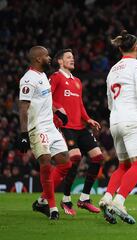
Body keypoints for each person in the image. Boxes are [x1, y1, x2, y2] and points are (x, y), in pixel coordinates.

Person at [99, 30, 137, 225]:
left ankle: (107, 198)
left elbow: (108, 101)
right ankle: (119, 201)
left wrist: (117, 114)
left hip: (115, 120)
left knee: (124, 165)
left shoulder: (112, 70)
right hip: (132, 119)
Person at [18, 46, 72, 220]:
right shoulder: (28, 79)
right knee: (46, 163)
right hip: (37, 128)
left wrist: (57, 111)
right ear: (38, 59)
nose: (50, 58)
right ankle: (52, 207)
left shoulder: (43, 76)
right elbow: (23, 108)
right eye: (47, 56)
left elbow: (45, 100)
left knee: (65, 162)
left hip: (50, 126)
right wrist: (23, 134)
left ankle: (41, 201)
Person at [49, 49, 104, 216]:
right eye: (68, 57)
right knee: (75, 158)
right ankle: (66, 199)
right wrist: (57, 109)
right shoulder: (56, 77)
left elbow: (79, 105)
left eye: (73, 57)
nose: (72, 60)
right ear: (60, 61)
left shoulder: (78, 81)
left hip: (80, 127)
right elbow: (47, 97)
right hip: (65, 127)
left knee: (98, 157)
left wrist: (88, 119)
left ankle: (84, 198)